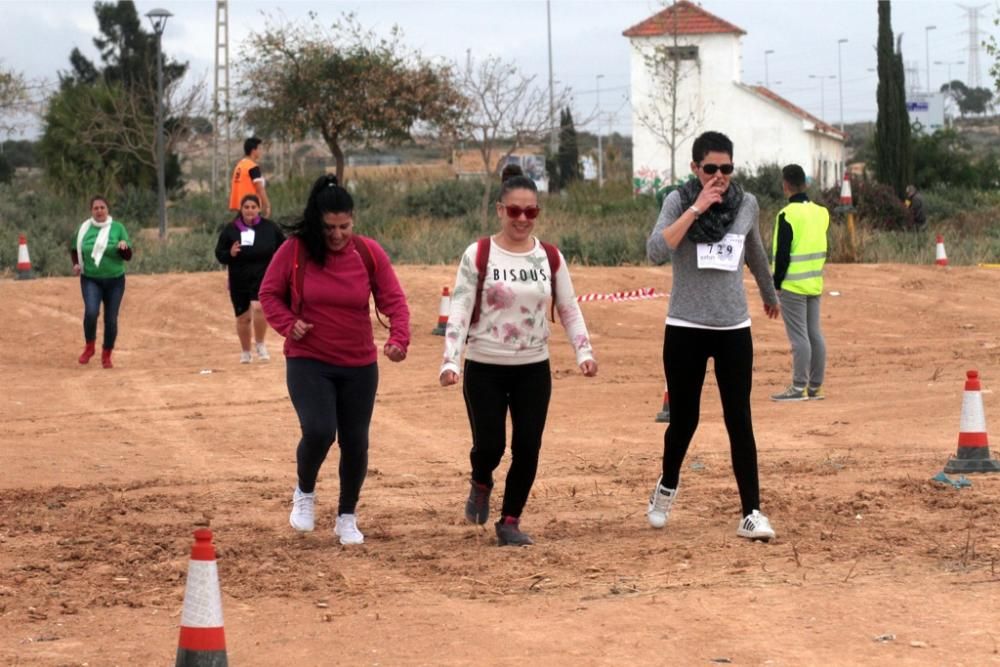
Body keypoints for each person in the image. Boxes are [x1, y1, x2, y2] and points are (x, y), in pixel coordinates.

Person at [439, 172, 598, 547]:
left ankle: (510, 520)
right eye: (515, 210)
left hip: (533, 366)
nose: (523, 219)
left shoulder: (549, 257)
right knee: (490, 446)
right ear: (500, 210)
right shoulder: (478, 254)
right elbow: (460, 308)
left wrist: (584, 351)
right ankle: (481, 480)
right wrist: (450, 361)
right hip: (485, 365)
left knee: (528, 446)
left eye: (531, 211)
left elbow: (568, 307)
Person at [259, 174, 410, 545]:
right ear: (317, 222)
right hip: (309, 359)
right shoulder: (295, 251)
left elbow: (394, 300)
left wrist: (398, 339)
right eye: (330, 227)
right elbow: (268, 294)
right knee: (320, 430)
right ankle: (305, 493)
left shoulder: (368, 252)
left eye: (345, 226)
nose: (338, 234)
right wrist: (288, 324)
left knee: (356, 441)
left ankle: (346, 516)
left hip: (359, 364)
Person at [645, 131, 780, 541]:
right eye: (710, 169)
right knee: (685, 419)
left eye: (726, 169)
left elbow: (753, 250)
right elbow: (655, 249)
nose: (719, 176)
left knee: (739, 419)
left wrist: (768, 292)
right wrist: (697, 209)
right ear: (695, 168)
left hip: (733, 327)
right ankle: (667, 485)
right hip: (686, 325)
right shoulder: (677, 202)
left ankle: (751, 512)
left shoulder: (747, 204)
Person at [770, 164, 830, 402]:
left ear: (785, 185)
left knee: (799, 338)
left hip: (793, 285)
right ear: (805, 184)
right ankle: (815, 387)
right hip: (814, 282)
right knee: (814, 334)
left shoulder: (787, 215)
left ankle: (797, 387)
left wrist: (776, 283)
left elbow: (783, 255)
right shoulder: (821, 213)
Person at [214, 194, 286, 363]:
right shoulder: (231, 229)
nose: (250, 210)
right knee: (243, 317)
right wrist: (230, 253)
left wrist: (280, 266)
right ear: (241, 209)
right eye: (246, 207)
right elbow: (219, 254)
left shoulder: (270, 228)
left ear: (259, 209)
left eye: (253, 207)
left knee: (259, 308)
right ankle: (246, 352)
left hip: (263, 276)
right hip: (239, 279)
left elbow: (284, 247)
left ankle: (260, 344)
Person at [70, 195, 133, 369]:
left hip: (115, 280)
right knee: (91, 312)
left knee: (111, 318)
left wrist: (123, 247)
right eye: (96, 208)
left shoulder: (118, 228)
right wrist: (76, 264)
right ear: (91, 211)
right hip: (91, 279)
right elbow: (75, 248)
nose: (99, 211)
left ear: (108, 209)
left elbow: (128, 256)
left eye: (102, 207)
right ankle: (89, 347)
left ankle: (107, 354)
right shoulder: (83, 228)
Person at [229, 137, 271, 218]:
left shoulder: (240, 165)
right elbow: (260, 188)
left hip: (241, 208)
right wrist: (267, 205)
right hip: (251, 209)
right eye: (259, 149)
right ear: (253, 151)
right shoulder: (252, 167)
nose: (261, 151)